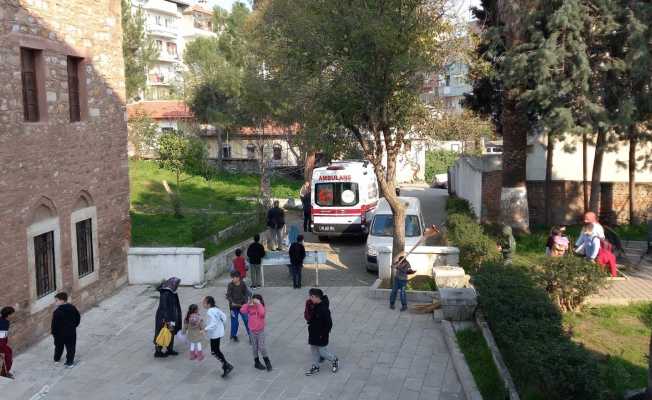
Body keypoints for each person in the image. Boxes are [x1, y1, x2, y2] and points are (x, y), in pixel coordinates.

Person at [305, 288, 339, 376]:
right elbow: (309, 316)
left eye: (311, 297)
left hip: (321, 335)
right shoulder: (312, 305)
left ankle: (334, 359)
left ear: (317, 297)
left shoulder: (324, 309)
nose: (310, 298)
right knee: (313, 350)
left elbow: (329, 324)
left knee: (322, 352)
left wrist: (323, 334)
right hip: (313, 333)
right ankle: (315, 366)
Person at [203, 296, 233, 378]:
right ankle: (226, 365)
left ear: (208, 304)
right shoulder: (216, 309)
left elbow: (213, 323)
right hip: (219, 332)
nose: (203, 304)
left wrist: (205, 329)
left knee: (214, 351)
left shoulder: (210, 311)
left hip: (214, 334)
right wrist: (222, 325)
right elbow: (224, 317)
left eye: (204, 303)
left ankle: (226, 365)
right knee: (216, 350)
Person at [241, 294, 272, 371]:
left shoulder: (261, 307)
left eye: (256, 300)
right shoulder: (250, 307)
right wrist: (248, 303)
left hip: (260, 331)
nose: (254, 302)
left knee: (262, 347)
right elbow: (242, 310)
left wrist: (258, 304)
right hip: (252, 331)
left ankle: (267, 361)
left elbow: (262, 314)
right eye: (253, 300)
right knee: (254, 348)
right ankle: (256, 362)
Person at [154, 277, 182, 358]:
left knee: (171, 332)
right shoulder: (166, 293)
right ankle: (158, 351)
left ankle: (169, 349)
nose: (177, 286)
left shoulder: (171, 292)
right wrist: (167, 320)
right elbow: (164, 308)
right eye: (177, 284)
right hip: (164, 318)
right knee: (161, 332)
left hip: (172, 317)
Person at [51, 292, 81, 368]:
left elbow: (54, 325)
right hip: (71, 332)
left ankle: (57, 359)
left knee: (58, 347)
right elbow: (78, 318)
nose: (55, 302)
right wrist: (74, 326)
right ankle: (70, 362)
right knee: (71, 347)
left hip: (60, 334)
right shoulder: (72, 308)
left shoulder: (57, 312)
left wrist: (54, 334)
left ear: (62, 301)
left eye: (56, 300)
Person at [226, 271, 251, 342]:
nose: (233, 279)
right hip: (233, 307)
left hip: (242, 305)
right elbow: (228, 295)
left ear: (238, 278)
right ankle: (233, 335)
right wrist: (232, 302)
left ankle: (251, 335)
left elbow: (246, 293)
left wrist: (246, 302)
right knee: (234, 322)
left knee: (246, 320)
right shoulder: (230, 285)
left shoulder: (243, 284)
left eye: (234, 278)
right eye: (232, 278)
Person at [0, 306, 15, 379]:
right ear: (8, 315)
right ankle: (4, 372)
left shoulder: (2, 320)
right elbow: (2, 337)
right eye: (12, 314)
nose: (13, 316)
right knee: (8, 355)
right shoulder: (5, 323)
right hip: (1, 343)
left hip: (2, 342)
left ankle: (4, 371)